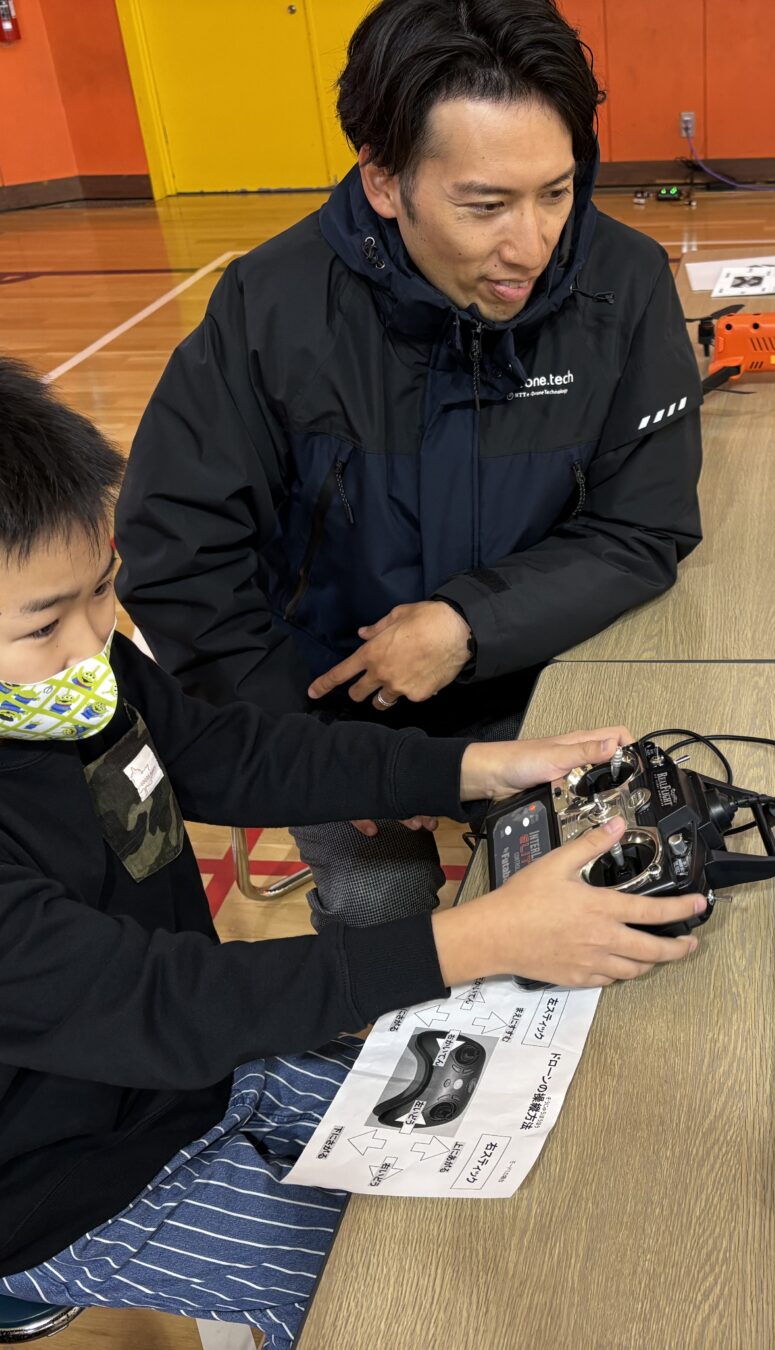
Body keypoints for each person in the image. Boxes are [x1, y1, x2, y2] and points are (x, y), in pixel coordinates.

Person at [0, 344, 704, 1348]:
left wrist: (470, 768)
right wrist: (488, 937)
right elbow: (154, 1003)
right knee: (404, 1309)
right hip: (42, 1176)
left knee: (516, 1179)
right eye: (47, 623)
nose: (98, 643)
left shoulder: (46, 675)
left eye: (102, 589)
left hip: (195, 1068)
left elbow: (220, 753)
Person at [115, 0, 703, 932]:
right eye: (485, 206)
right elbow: (179, 552)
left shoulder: (623, 285)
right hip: (323, 713)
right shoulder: (270, 308)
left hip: (547, 679)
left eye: (557, 191)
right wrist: (305, 750)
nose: (533, 246)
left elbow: (645, 528)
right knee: (382, 923)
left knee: (621, 909)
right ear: (385, 182)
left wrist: (472, 622)